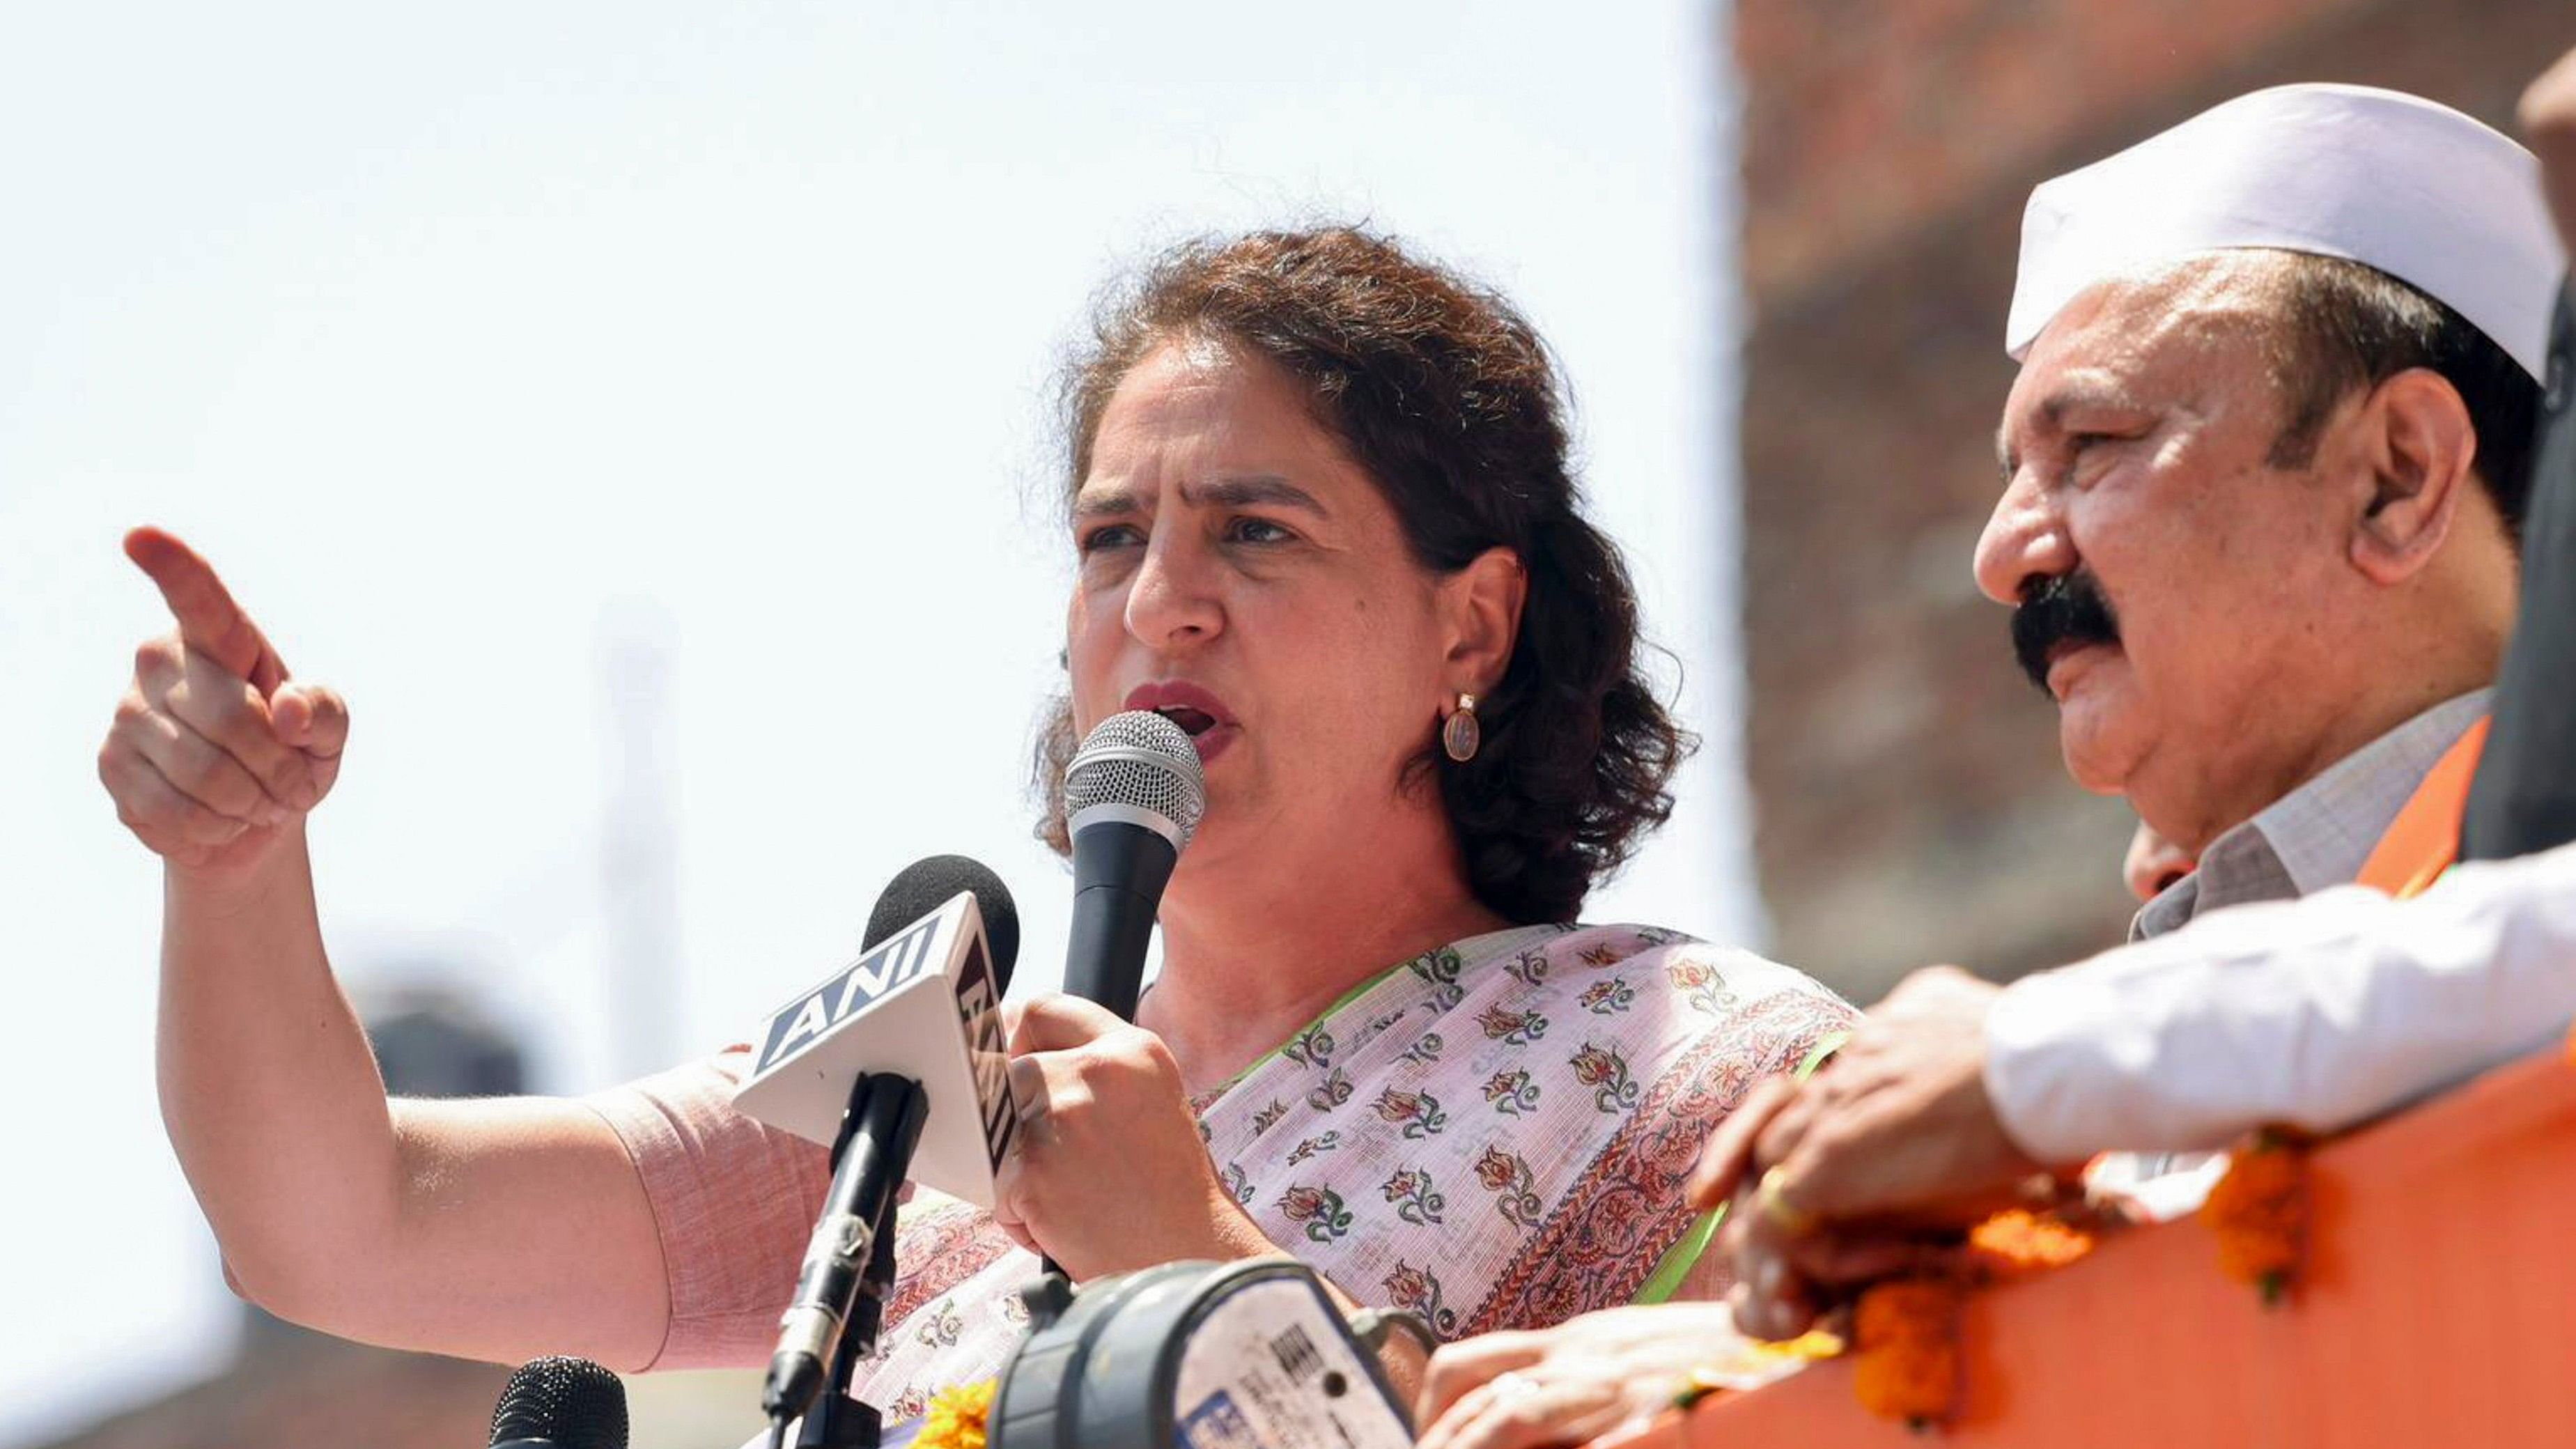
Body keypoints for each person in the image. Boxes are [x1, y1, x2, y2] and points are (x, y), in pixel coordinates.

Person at [101, 227, 1854, 1420]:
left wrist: (1184, 1252)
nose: (1159, 604)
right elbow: (342, 1221)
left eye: (1255, 532)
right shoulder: (917, 1094)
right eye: (1109, 541)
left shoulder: (1721, 1084)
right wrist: (235, 866)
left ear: (1468, 627)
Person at [1414, 73, 2573, 1446]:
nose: (2002, 552)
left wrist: (2032, 1066)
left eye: (2094, 444)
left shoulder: (2135, 1041)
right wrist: (1778, 1362)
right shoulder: (2174, 1031)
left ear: (2395, 474)